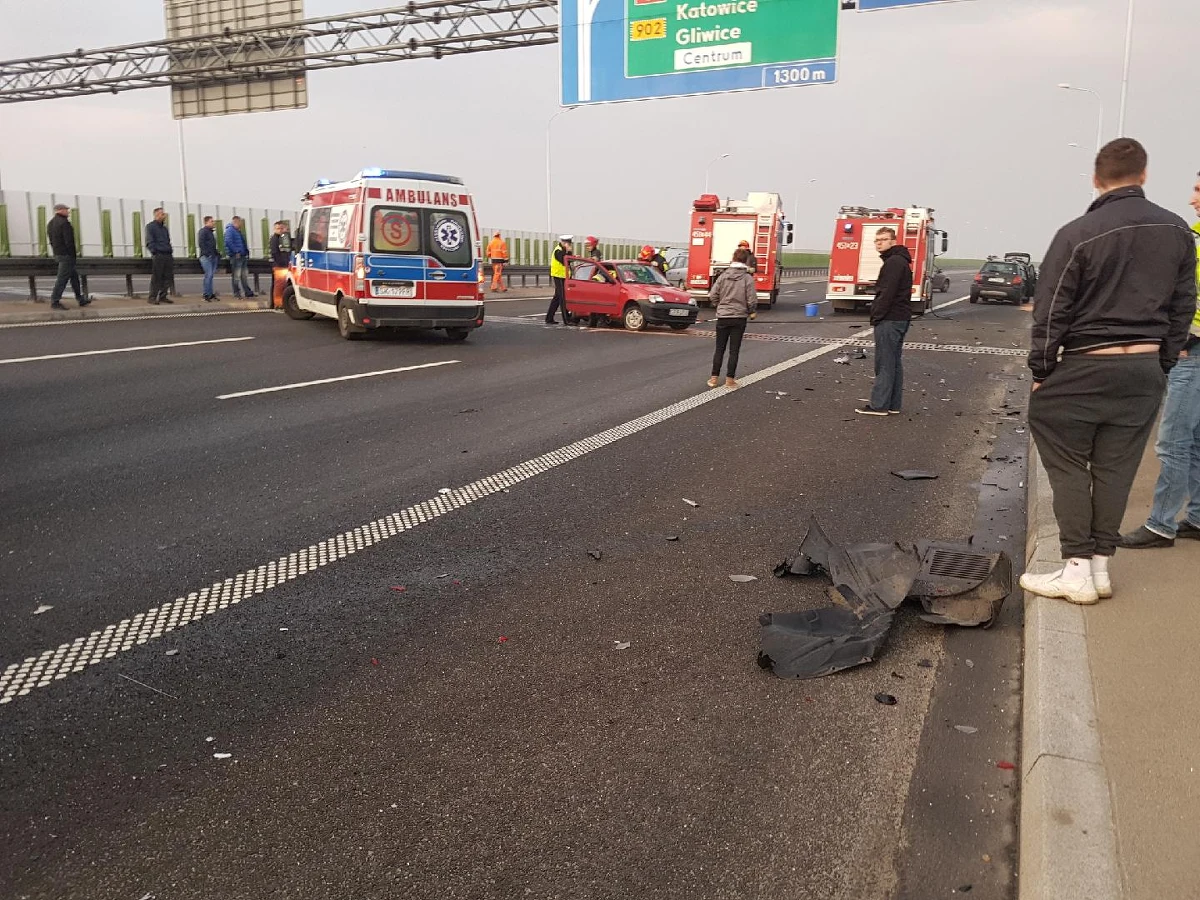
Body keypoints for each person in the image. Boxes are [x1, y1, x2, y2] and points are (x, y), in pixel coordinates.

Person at [1019, 138, 1196, 605]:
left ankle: (1075, 567)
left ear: (1097, 179)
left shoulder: (1078, 232)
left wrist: (1042, 368)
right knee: (1117, 467)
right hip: (1143, 368)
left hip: (1085, 364)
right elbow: (1184, 305)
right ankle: (1099, 568)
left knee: (1068, 458)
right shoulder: (1178, 230)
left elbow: (1053, 308)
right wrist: (1160, 362)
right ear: (1143, 175)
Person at [1118, 170, 1200, 550]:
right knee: (1195, 441)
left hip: (1192, 350)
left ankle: (1161, 524)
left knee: (1172, 441)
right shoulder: (1194, 232)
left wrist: (1183, 335)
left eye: (1199, 189)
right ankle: (1197, 517)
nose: (1192, 198)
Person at [856, 226, 912, 416]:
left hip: (890, 319)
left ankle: (879, 405)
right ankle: (893, 404)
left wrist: (876, 316)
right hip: (899, 318)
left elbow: (887, 293)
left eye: (883, 239)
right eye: (876, 240)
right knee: (894, 362)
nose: (879, 243)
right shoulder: (900, 261)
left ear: (892, 241)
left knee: (885, 363)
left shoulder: (893, 263)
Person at [707, 247, 757, 389]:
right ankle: (730, 380)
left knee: (719, 349)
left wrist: (719, 306)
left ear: (733, 259)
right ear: (745, 261)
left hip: (723, 316)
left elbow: (713, 295)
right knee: (734, 350)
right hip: (739, 317)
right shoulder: (747, 278)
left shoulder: (723, 276)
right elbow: (752, 299)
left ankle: (713, 378)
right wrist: (751, 311)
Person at [46, 203, 90, 309]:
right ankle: (55, 301)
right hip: (67, 256)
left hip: (58, 253)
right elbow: (69, 241)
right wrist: (73, 255)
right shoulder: (64, 223)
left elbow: (51, 240)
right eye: (66, 210)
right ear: (59, 210)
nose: (68, 212)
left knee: (74, 277)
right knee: (62, 279)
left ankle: (80, 299)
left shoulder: (51, 223)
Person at [145, 207, 174, 305]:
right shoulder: (150, 227)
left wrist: (169, 249)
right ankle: (152, 297)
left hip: (167, 255)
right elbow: (149, 242)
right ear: (156, 215)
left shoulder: (164, 228)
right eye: (162, 214)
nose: (164, 215)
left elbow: (168, 240)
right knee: (157, 277)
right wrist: (155, 252)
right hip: (159, 255)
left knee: (167, 277)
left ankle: (163, 296)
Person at [545, 234, 574, 325]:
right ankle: (567, 320)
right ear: (563, 243)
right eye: (567, 244)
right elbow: (564, 261)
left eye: (569, 244)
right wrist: (569, 252)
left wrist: (570, 253)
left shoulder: (563, 251)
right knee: (562, 298)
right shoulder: (558, 251)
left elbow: (569, 260)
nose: (569, 245)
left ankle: (549, 318)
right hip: (558, 276)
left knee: (557, 298)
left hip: (563, 276)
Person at [225, 216, 255, 299]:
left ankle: (247, 292)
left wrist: (246, 251)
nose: (241, 224)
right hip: (236, 256)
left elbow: (241, 242)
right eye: (240, 222)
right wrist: (236, 251)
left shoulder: (237, 231)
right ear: (236, 222)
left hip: (242, 255)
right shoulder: (230, 231)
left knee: (244, 275)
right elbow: (228, 242)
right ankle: (237, 292)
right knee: (236, 275)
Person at [269, 220, 293, 307]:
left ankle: (277, 303)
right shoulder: (275, 239)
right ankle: (278, 304)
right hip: (280, 266)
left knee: (282, 285)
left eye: (282, 228)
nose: (280, 230)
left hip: (284, 264)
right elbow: (275, 253)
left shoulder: (284, 238)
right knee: (279, 285)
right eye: (278, 228)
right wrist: (282, 263)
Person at [198, 216, 221, 302]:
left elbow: (212, 245)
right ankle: (206, 294)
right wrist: (208, 254)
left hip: (212, 256)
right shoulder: (203, 231)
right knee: (209, 275)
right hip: (206, 257)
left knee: (210, 276)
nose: (213, 223)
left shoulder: (210, 233)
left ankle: (210, 294)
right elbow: (201, 243)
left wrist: (216, 253)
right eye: (212, 221)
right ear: (206, 222)